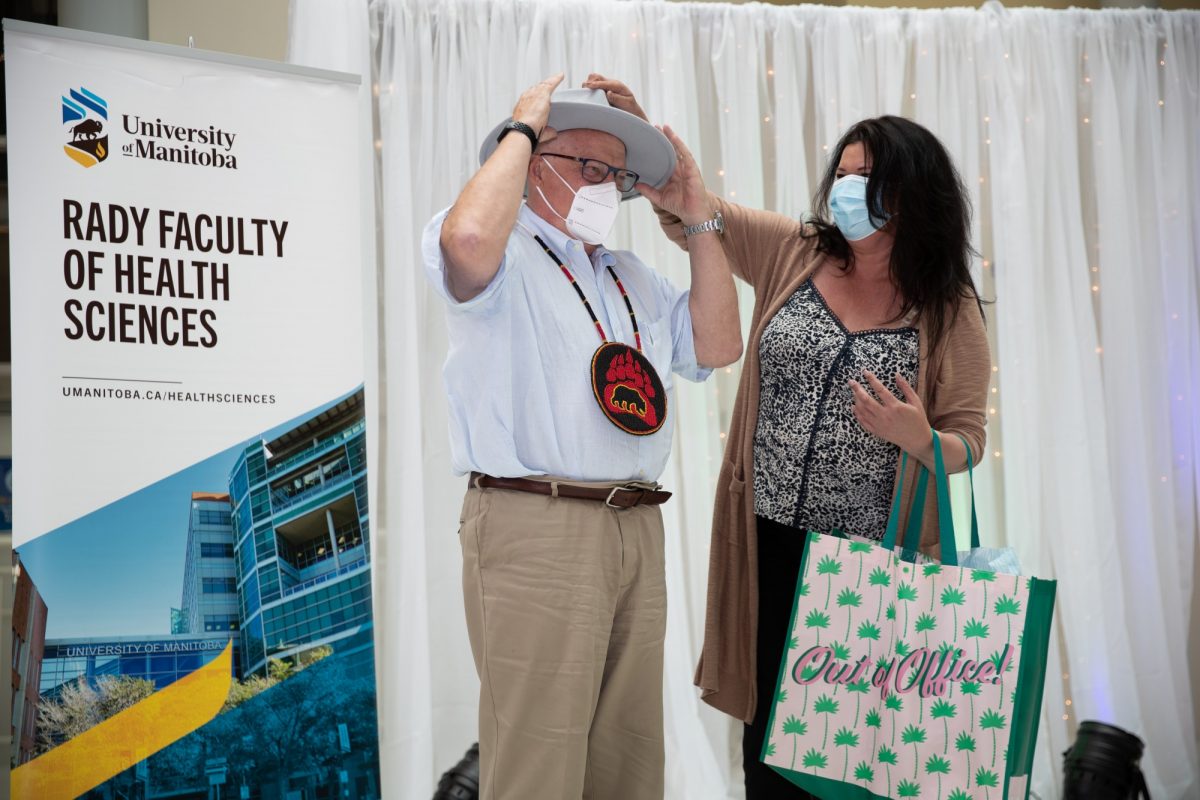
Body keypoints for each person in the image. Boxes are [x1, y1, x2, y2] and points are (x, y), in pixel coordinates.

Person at [593, 78, 988, 797]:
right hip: (768, 544)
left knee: (848, 762)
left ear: (912, 192)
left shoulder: (947, 304)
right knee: (770, 755)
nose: (847, 189)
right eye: (841, 174)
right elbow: (696, 216)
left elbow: (969, 439)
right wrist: (644, 141)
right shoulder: (796, 250)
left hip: (873, 567)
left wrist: (919, 437)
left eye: (866, 178)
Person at [420, 73, 742, 800]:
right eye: (589, 167)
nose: (608, 186)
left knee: (628, 765)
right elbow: (467, 239)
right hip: (537, 522)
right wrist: (523, 126)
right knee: (538, 767)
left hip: (634, 524)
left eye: (615, 173)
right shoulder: (501, 255)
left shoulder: (629, 275)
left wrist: (696, 217)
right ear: (537, 167)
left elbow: (719, 345)